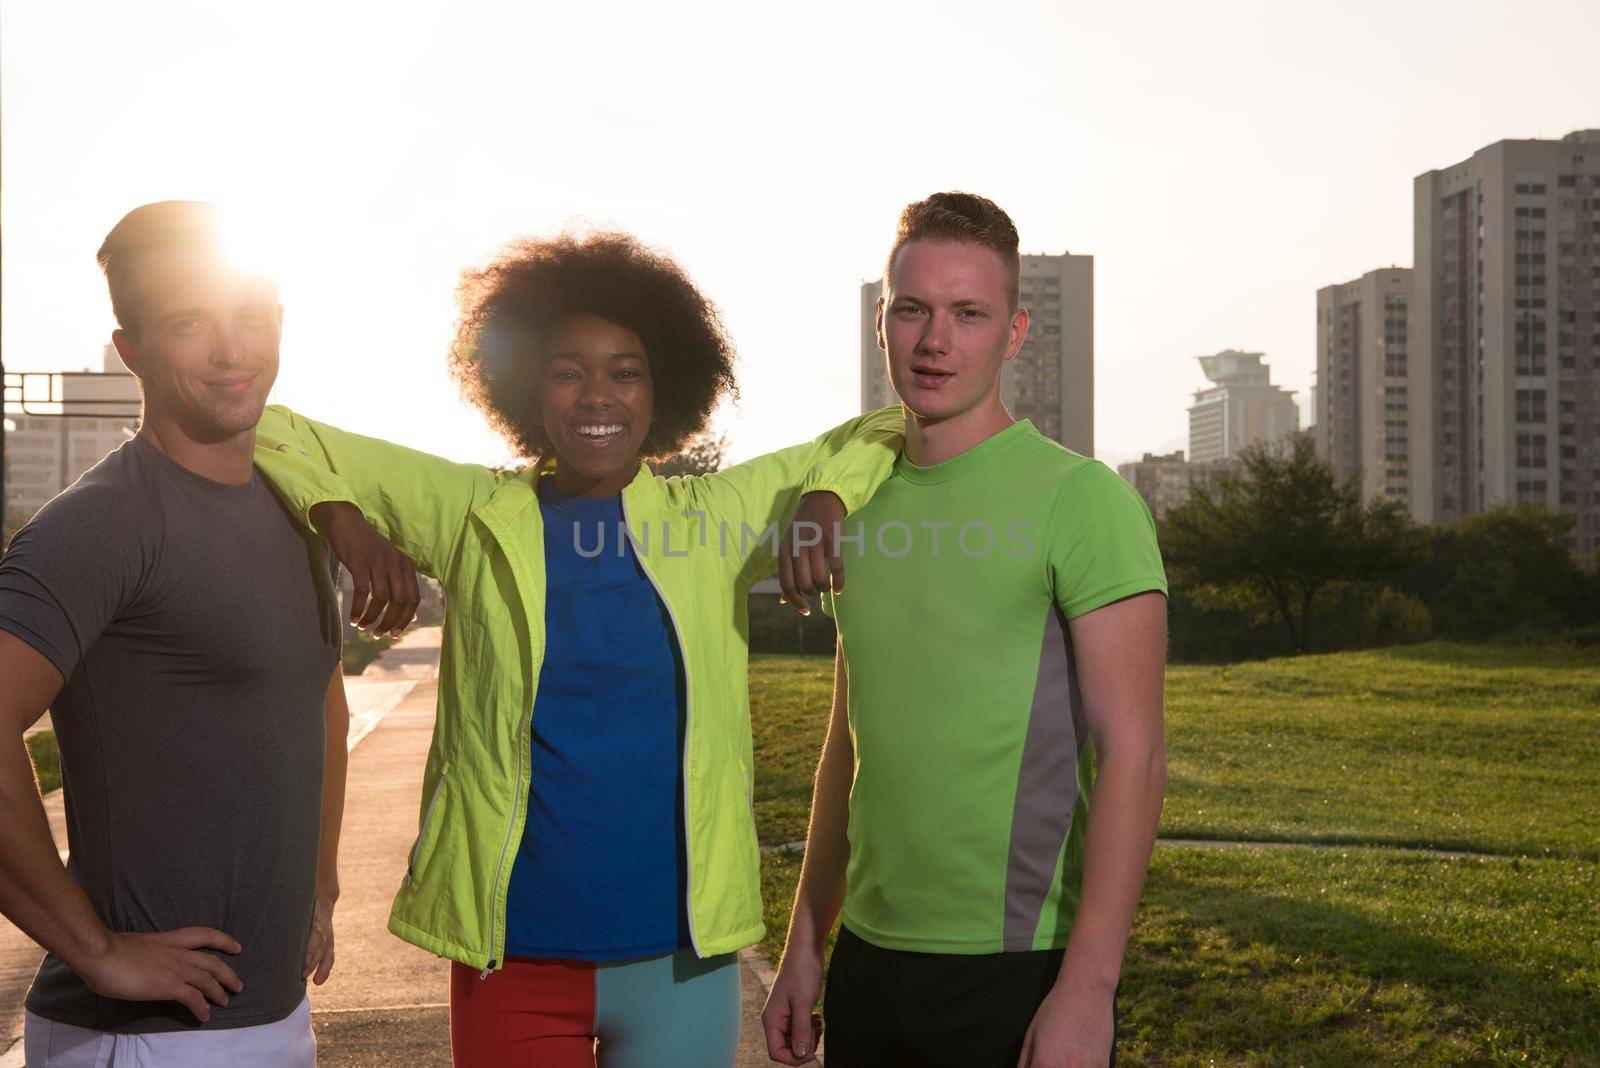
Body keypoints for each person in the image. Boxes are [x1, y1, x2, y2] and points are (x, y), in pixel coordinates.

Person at [250, 229, 902, 1066]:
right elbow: (273, 429)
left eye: (625, 371)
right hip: (511, 959)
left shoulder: (712, 520)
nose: (598, 396)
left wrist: (822, 491)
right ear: (528, 386)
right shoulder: (472, 511)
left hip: (681, 962)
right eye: (568, 369)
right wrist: (339, 517)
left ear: (661, 388)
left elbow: (883, 427)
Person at [762, 192, 1169, 1068]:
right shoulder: (855, 506)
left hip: (1019, 970)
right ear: (882, 322)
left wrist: (1090, 988)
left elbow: (1134, 751)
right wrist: (806, 939)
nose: (935, 341)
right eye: (913, 310)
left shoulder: (1082, 500)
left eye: (968, 314)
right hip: (869, 966)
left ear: (1014, 332)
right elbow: (848, 741)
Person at [0, 201, 351, 1067]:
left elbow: (320, 705)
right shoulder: (106, 522)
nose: (231, 352)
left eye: (250, 318)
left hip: (274, 1020)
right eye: (189, 323)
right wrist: (99, 950)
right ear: (133, 350)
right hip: (140, 1043)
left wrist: (320, 882)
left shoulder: (296, 507)